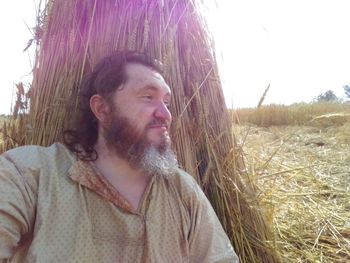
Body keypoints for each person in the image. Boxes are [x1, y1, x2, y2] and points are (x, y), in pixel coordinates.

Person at [0, 51, 239, 262]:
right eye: (148, 97)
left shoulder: (182, 191)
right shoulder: (31, 175)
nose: (165, 114)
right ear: (102, 109)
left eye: (166, 102)